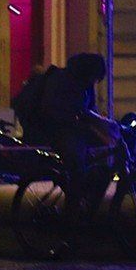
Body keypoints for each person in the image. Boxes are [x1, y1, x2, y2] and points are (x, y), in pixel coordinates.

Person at [29, 52, 112, 202]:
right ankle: (74, 203)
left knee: (98, 155)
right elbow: (59, 110)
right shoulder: (62, 79)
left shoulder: (85, 84)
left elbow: (89, 109)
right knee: (76, 163)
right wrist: (88, 119)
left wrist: (102, 124)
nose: (94, 82)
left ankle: (86, 192)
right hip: (55, 129)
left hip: (74, 128)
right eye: (94, 78)